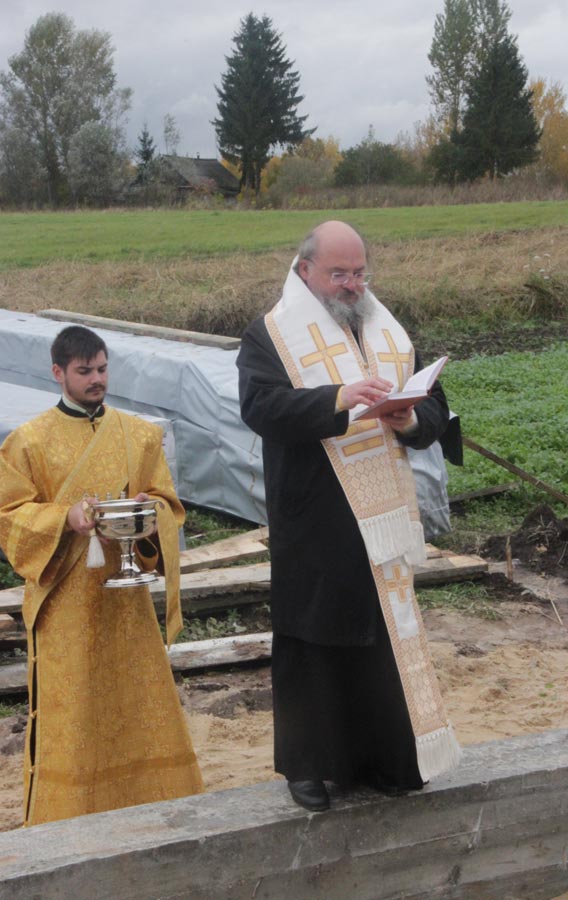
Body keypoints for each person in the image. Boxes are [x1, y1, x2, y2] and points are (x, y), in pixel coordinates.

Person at [237, 220, 461, 812]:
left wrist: (408, 419)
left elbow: (435, 406)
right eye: (338, 273)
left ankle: (386, 759)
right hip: (315, 515)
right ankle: (310, 767)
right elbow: (261, 408)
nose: (351, 285)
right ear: (305, 269)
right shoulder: (270, 335)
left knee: (381, 635)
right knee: (313, 635)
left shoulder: (386, 329)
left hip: (381, 516)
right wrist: (338, 398)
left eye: (359, 272)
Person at [0, 325, 203, 826]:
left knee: (137, 699)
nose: (97, 379)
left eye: (102, 369)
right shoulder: (27, 442)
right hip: (65, 601)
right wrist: (66, 518)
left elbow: (168, 505)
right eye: (85, 371)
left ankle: (149, 803)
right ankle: (70, 815)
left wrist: (146, 513)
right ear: (58, 372)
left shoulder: (139, 434)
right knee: (75, 710)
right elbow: (6, 516)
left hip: (125, 600)